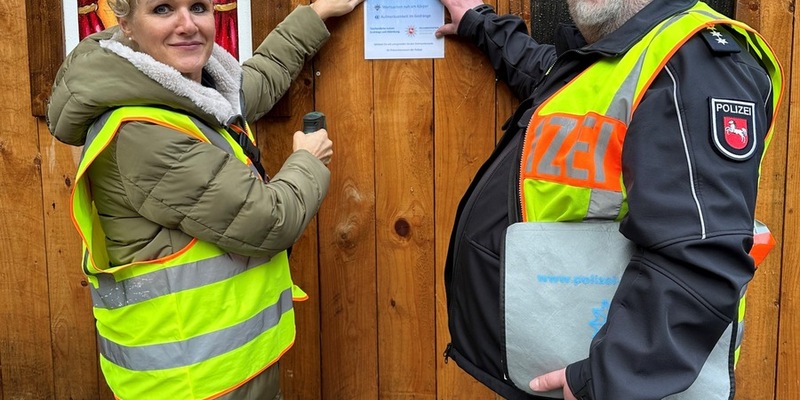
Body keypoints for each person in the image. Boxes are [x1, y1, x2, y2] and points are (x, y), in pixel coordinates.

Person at [435, 0, 783, 399]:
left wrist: (606, 380)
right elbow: (552, 80)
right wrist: (480, 24)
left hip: (622, 384)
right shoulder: (627, 59)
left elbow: (704, 251)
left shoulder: (694, 62)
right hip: (575, 360)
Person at [46, 0, 363, 398]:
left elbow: (254, 84)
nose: (187, 25)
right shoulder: (142, 131)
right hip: (189, 378)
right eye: (162, 9)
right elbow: (269, 221)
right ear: (125, 24)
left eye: (198, 7)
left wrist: (317, 14)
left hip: (223, 363)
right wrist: (308, 159)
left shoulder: (180, 90)